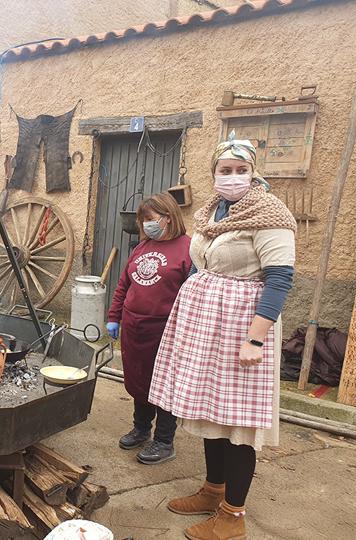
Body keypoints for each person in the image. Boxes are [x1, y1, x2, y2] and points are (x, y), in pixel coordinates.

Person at [148, 134, 296, 540]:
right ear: (214, 174)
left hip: (242, 328)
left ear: (253, 172)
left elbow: (280, 280)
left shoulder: (270, 214)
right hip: (206, 326)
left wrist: (255, 340)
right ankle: (213, 492)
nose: (233, 177)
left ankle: (233, 515)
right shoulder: (215, 211)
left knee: (238, 422)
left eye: (241, 170)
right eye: (225, 170)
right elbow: (203, 265)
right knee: (209, 412)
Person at [106, 192, 191, 465]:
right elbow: (123, 285)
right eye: (144, 220)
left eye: (151, 219)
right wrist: (114, 316)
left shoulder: (189, 249)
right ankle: (141, 429)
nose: (147, 225)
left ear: (168, 218)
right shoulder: (141, 248)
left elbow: (193, 294)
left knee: (164, 384)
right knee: (139, 380)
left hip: (166, 329)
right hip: (134, 327)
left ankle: (164, 441)